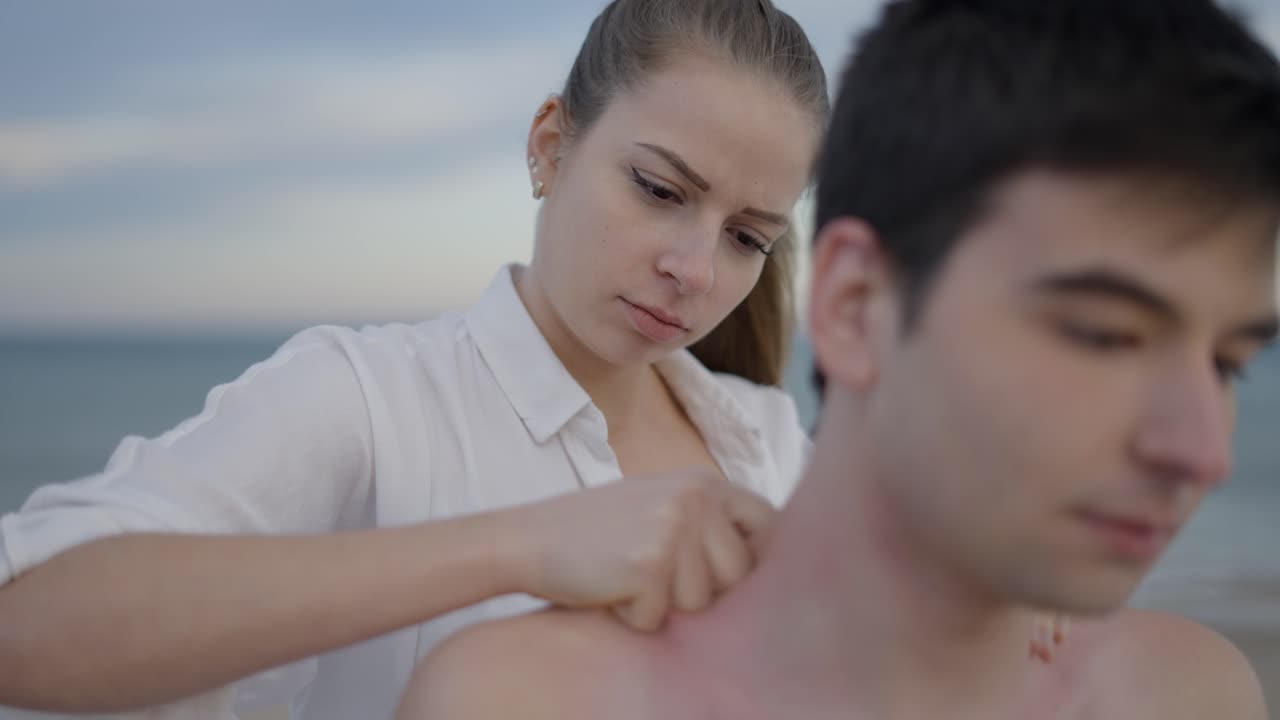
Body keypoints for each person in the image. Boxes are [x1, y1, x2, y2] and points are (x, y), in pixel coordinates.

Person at [396, 0, 1280, 718]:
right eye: (1104, 334)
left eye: (1230, 363)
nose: (1204, 453)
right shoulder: (523, 693)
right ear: (854, 305)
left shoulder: (1189, 695)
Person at [0, 2, 829, 718]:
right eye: (658, 188)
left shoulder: (772, 446)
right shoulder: (368, 403)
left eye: (747, 237)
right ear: (549, 144)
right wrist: (522, 546)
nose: (694, 268)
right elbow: (22, 617)